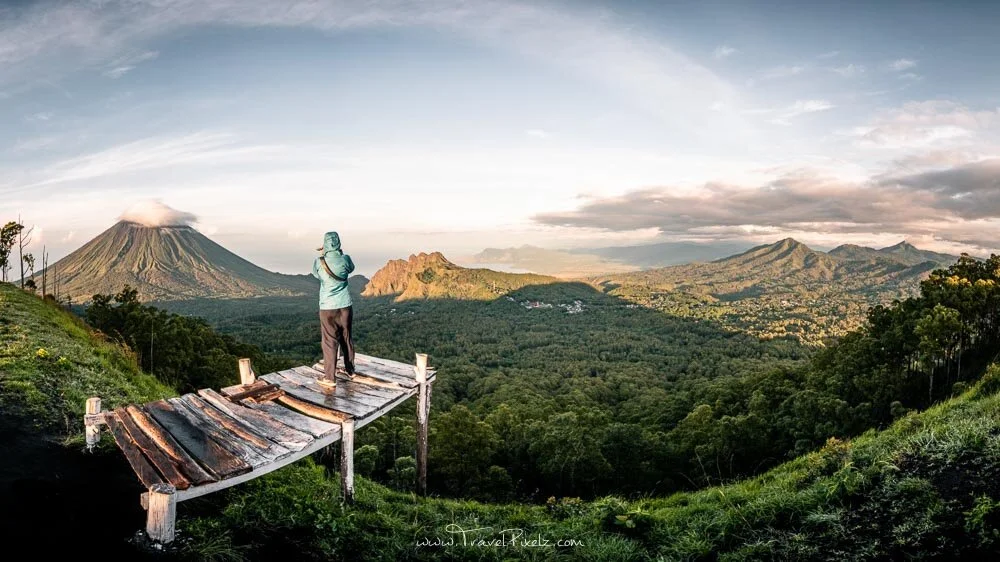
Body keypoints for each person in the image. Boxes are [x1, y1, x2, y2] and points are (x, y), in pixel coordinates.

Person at [311, 231, 356, 389]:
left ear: (324, 244)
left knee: (329, 341)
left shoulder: (319, 262)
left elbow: (317, 275)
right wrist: (339, 254)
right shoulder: (345, 259)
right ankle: (350, 370)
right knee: (346, 337)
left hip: (327, 307)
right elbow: (350, 269)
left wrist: (325, 254)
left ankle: (330, 378)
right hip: (345, 305)